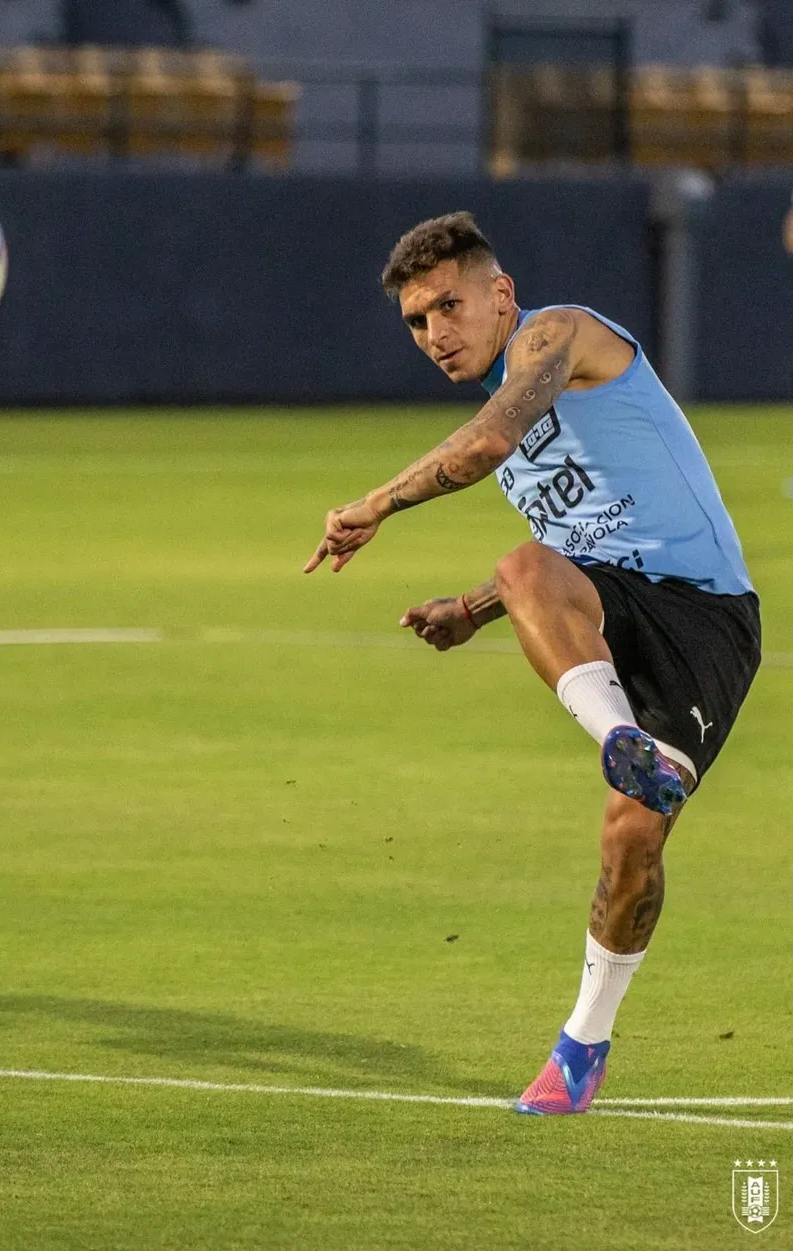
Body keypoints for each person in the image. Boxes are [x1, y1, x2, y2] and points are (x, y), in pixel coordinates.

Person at [303, 212, 760, 1116]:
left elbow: (487, 443)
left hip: (702, 615)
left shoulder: (559, 334)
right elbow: (571, 549)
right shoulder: (510, 411)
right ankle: (583, 1042)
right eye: (416, 320)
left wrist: (376, 504)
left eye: (448, 306)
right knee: (523, 574)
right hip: (613, 603)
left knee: (631, 837)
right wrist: (472, 610)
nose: (434, 332)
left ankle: (590, 1018)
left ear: (501, 293)